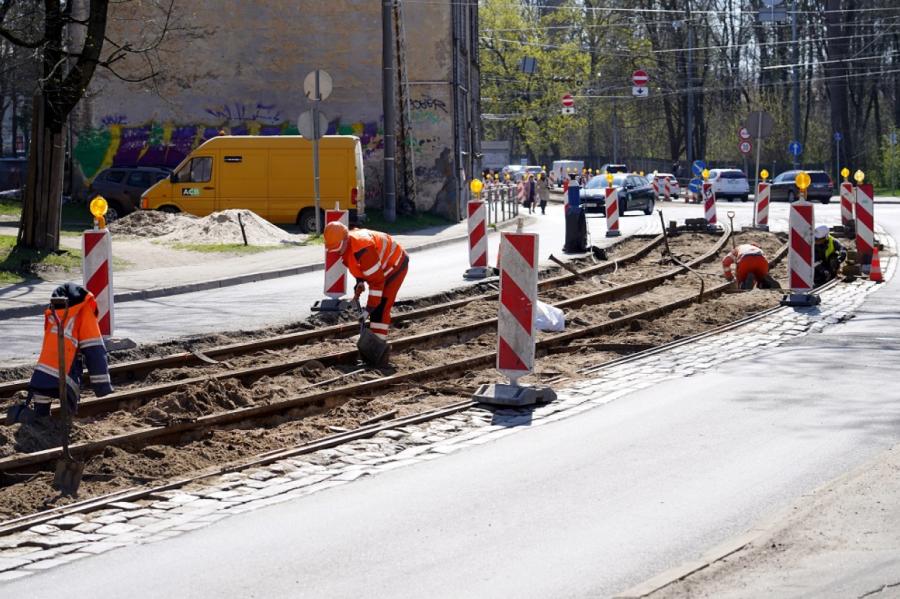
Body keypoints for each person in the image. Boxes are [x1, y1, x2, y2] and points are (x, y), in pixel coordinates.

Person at [7, 283, 113, 424]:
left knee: (43, 391)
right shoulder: (84, 311)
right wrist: (102, 386)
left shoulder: (54, 310)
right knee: (70, 397)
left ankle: (41, 418)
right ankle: (66, 423)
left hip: (42, 372)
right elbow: (94, 349)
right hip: (65, 371)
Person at [323, 222, 409, 341]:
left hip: (395, 265)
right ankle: (375, 340)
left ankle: (378, 344)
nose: (336, 252)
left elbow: (377, 282)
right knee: (376, 306)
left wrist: (368, 309)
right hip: (381, 268)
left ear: (346, 239)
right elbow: (358, 266)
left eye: (337, 247)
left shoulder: (364, 249)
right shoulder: (348, 245)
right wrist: (360, 281)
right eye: (333, 249)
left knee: (381, 307)